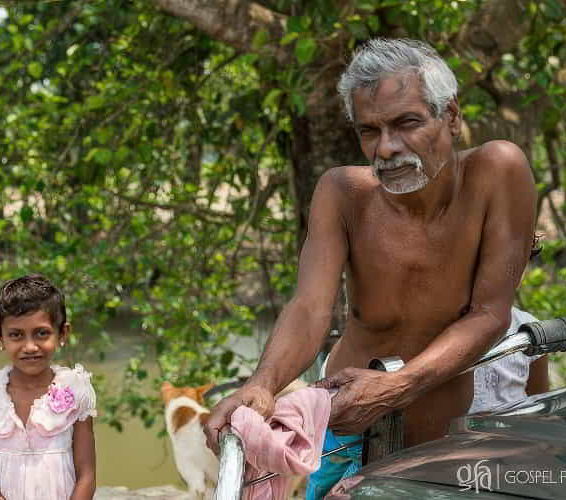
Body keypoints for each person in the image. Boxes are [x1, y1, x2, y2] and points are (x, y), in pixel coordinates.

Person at [204, 38, 545, 497]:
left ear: (452, 116)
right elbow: (309, 308)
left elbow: (489, 314)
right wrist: (262, 385)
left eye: (407, 123)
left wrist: (398, 386)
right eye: (369, 131)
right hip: (345, 433)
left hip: (439, 438)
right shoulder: (342, 193)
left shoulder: (497, 172)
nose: (386, 148)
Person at [0, 274, 96, 500]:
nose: (30, 346)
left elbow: (87, 475)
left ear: (62, 333)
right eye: (16, 335)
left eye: (41, 333)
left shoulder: (76, 389)